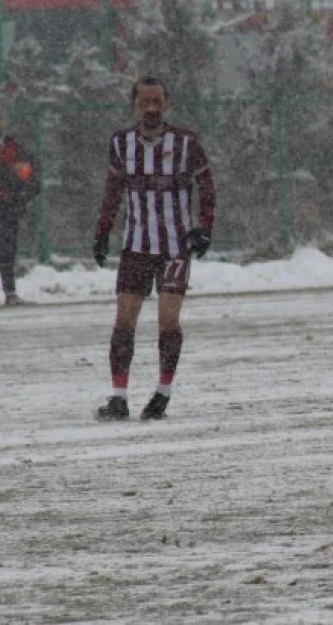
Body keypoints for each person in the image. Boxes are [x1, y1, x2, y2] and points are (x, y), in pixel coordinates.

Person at [92, 76, 216, 421]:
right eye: (145, 101)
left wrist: (204, 228)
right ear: (134, 104)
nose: (151, 108)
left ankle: (162, 393)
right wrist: (102, 233)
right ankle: (118, 396)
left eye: (157, 101)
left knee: (168, 319)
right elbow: (112, 191)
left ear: (167, 103)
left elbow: (207, 187)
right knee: (124, 319)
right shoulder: (121, 143)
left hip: (175, 247)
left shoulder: (186, 143)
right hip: (135, 248)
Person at [0, 104, 40, 307]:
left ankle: (10, 291)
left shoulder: (11, 144)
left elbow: (30, 163)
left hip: (11, 203)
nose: (0, 123)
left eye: (2, 119)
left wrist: (26, 184)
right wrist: (14, 176)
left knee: (9, 248)